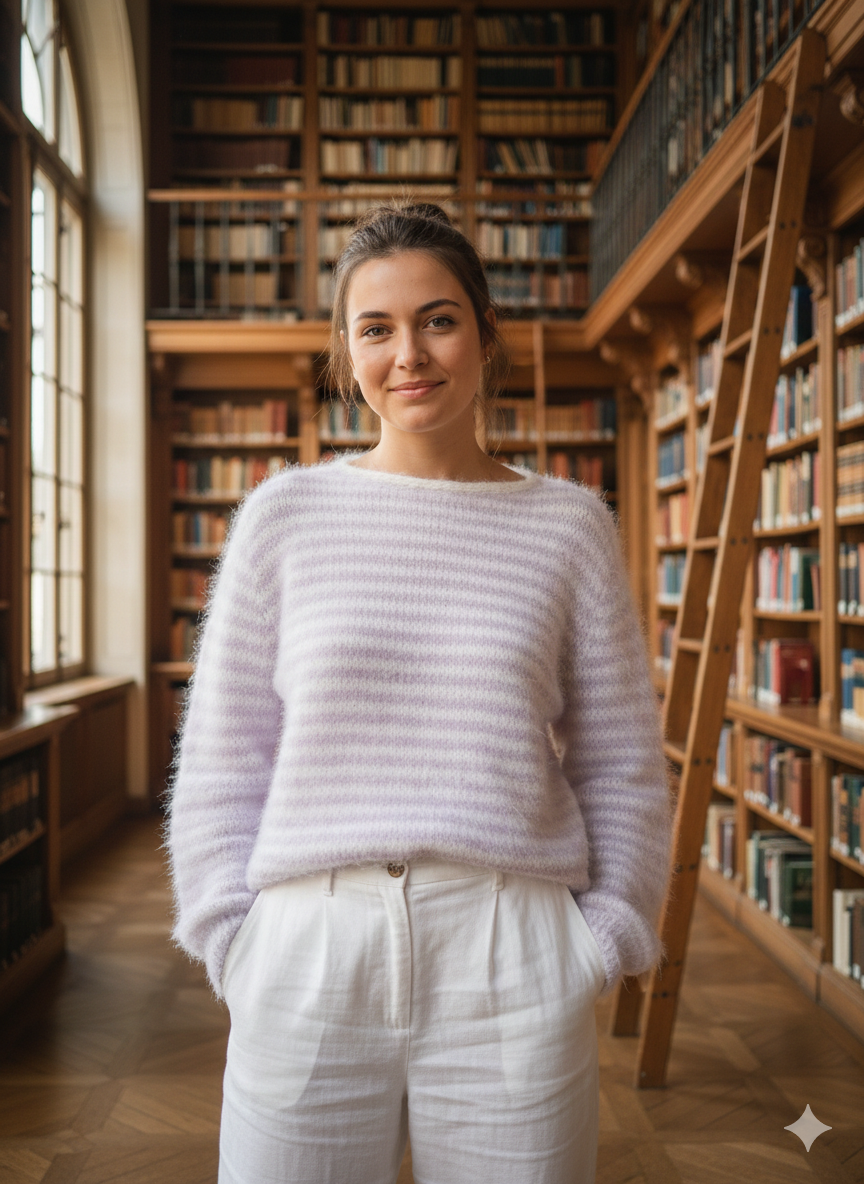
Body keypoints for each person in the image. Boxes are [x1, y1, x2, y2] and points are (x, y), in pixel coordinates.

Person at [166, 202, 673, 1184]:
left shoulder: (568, 526)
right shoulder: (283, 517)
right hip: (308, 946)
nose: (412, 353)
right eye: (377, 327)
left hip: (511, 946)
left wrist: (602, 938)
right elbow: (227, 751)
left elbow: (621, 756)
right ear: (346, 353)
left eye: (438, 319)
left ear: (486, 335)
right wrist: (231, 937)